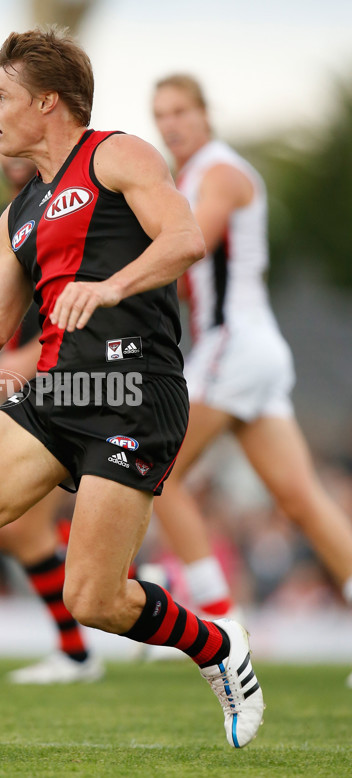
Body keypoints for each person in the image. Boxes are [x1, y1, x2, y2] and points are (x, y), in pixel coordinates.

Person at [0, 28, 264, 755]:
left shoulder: (117, 154)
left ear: (48, 102)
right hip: (56, 393)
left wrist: (110, 286)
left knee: (95, 599)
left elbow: (186, 238)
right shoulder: (19, 212)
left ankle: (216, 643)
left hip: (134, 390)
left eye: (1, 95)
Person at [151, 74, 352, 627]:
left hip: (233, 346)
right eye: (161, 115)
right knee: (300, 499)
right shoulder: (195, 174)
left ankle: (219, 616)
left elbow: (191, 244)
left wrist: (107, 275)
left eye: (180, 112)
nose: (170, 124)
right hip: (252, 348)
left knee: (152, 469)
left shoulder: (219, 172)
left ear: (205, 115)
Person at [0, 149, 104, 684]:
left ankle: (83, 641)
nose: (5, 150)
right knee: (10, 528)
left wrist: (21, 360)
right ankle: (77, 646)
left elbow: (74, 311)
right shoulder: (17, 213)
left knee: (14, 524)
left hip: (73, 388)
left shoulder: (71, 207)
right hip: (40, 386)